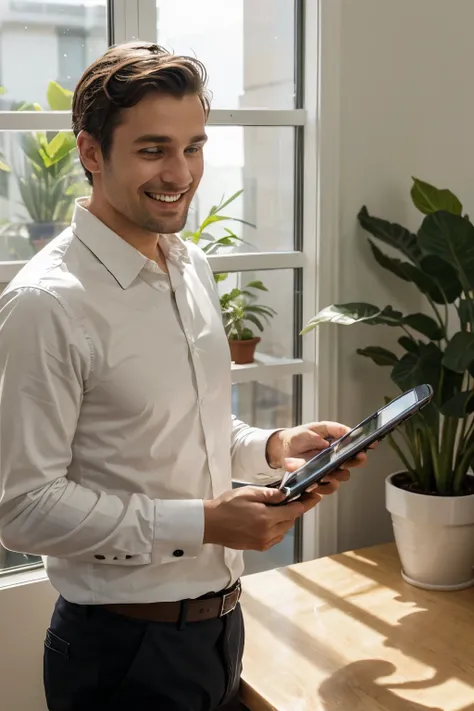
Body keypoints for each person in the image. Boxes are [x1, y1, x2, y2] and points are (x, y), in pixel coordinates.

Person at [0, 43, 366, 711]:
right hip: (121, 656)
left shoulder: (189, 266)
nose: (181, 172)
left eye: (194, 146)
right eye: (153, 150)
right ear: (90, 152)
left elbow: (191, 427)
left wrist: (274, 447)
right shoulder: (47, 304)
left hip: (220, 631)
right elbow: (22, 508)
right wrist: (204, 522)